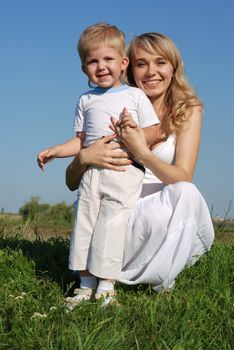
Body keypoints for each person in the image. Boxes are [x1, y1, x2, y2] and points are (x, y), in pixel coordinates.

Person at [65, 32, 214, 303]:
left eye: (161, 63)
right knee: (90, 204)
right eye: (141, 64)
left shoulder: (188, 109)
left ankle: (156, 275)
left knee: (187, 193)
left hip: (158, 210)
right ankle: (96, 275)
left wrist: (141, 152)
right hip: (117, 202)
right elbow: (71, 182)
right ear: (128, 67)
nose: (151, 72)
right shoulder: (107, 104)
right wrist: (85, 158)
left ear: (173, 68)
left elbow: (183, 177)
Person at [37, 24, 159, 307]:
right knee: (85, 224)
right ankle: (84, 284)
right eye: (93, 61)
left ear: (123, 63)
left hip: (121, 169)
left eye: (108, 60)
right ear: (84, 68)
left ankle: (106, 286)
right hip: (91, 173)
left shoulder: (134, 96)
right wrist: (57, 150)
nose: (101, 67)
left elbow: (154, 131)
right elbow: (80, 141)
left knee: (111, 224)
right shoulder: (86, 99)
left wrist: (133, 133)